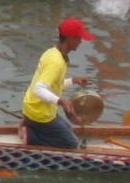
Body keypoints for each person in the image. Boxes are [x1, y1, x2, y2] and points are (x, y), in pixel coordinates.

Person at [21, 18, 94, 148]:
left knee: (67, 128)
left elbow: (52, 85)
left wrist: (73, 80)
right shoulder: (56, 62)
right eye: (78, 38)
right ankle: (30, 135)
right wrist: (62, 101)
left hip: (34, 108)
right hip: (38, 113)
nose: (81, 41)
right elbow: (39, 89)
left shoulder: (53, 52)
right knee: (71, 143)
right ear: (70, 39)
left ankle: (28, 123)